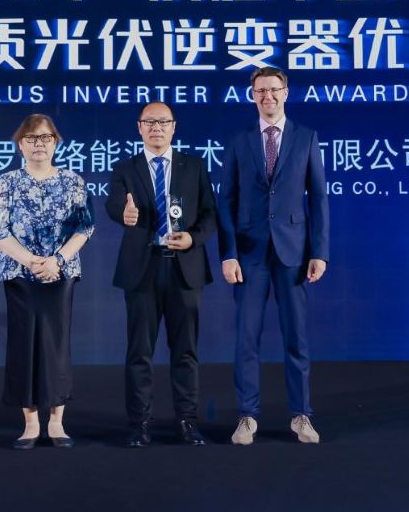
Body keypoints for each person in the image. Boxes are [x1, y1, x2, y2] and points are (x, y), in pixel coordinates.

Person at [217, 67, 329, 445]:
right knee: (246, 340)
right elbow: (226, 200)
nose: (268, 96)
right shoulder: (239, 140)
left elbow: (318, 198)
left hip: (293, 253)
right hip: (249, 254)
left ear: (286, 92)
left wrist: (320, 252)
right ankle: (247, 417)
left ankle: (301, 415)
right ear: (252, 96)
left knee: (296, 339)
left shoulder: (306, 137)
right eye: (260, 91)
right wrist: (228, 253)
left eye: (274, 89)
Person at [105, 102, 218, 447]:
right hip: (143, 268)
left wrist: (193, 238)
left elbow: (210, 214)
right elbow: (113, 204)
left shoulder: (193, 166)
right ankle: (139, 424)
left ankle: (187, 421)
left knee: (185, 351)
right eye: (149, 122)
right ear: (139, 128)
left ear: (174, 127)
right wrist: (123, 214)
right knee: (139, 352)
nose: (156, 127)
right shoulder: (125, 168)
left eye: (163, 122)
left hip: (184, 268)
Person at [0, 113, 95, 449]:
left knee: (55, 345)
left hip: (60, 273)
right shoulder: (7, 182)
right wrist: (31, 261)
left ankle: (57, 422)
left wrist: (56, 261)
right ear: (21, 144)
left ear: (55, 143)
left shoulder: (73, 181)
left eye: (45, 138)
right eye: (31, 138)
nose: (39, 144)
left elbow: (85, 227)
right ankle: (31, 423)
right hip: (20, 274)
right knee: (24, 346)